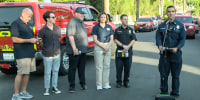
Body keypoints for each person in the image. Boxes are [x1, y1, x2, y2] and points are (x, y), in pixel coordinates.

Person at [156, 6, 186, 97]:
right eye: (169, 11)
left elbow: (182, 40)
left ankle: (175, 92)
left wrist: (177, 48)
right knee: (164, 75)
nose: (171, 13)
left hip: (175, 54)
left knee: (175, 75)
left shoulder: (180, 26)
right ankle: (164, 92)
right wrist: (160, 46)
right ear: (166, 13)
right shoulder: (162, 26)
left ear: (175, 13)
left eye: (172, 11)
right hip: (165, 55)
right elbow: (158, 38)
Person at [11, 8, 38, 100]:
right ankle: (15, 95)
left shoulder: (29, 25)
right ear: (23, 14)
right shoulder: (16, 23)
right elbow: (14, 39)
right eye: (28, 16)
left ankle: (23, 92)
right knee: (21, 73)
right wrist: (29, 40)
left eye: (31, 17)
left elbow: (30, 36)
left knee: (27, 73)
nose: (29, 18)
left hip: (30, 52)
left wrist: (35, 40)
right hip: (21, 53)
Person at [38, 11, 61, 96]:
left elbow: (59, 38)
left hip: (57, 54)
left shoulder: (57, 28)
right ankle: (46, 88)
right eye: (53, 17)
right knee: (47, 72)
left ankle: (54, 87)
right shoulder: (42, 30)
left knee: (55, 71)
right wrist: (46, 48)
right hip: (47, 54)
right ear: (47, 19)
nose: (55, 18)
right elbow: (40, 41)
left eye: (54, 17)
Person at [66, 7, 88, 93]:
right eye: (81, 14)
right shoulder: (72, 22)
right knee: (72, 68)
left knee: (81, 68)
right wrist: (74, 48)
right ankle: (72, 86)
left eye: (83, 14)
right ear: (76, 13)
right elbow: (71, 36)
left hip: (82, 50)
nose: (82, 15)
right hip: (75, 51)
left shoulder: (81, 22)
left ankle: (83, 84)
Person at [91, 12, 114, 90]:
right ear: (99, 18)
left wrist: (107, 47)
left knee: (106, 66)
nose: (103, 19)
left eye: (104, 17)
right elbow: (95, 39)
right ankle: (99, 84)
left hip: (108, 46)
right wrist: (103, 46)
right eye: (102, 17)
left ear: (106, 18)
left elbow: (112, 39)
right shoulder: (95, 27)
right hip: (99, 47)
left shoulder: (109, 27)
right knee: (99, 67)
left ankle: (106, 83)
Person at [114, 14, 137, 88]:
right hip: (120, 52)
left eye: (127, 19)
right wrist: (123, 46)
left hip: (128, 52)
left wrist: (127, 47)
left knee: (127, 68)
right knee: (119, 68)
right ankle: (119, 82)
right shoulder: (117, 30)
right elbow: (115, 40)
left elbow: (133, 39)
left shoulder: (131, 29)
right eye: (124, 19)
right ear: (121, 20)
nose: (126, 20)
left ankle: (126, 82)